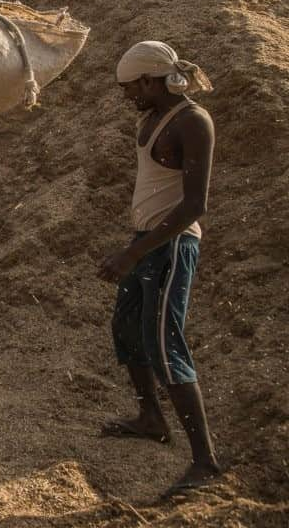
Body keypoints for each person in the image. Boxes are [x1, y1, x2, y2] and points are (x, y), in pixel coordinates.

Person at [98, 40, 222, 495]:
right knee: (127, 329)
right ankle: (151, 417)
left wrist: (134, 253)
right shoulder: (150, 119)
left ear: (151, 81)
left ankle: (205, 461)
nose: (126, 95)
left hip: (172, 247)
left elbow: (194, 205)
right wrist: (134, 247)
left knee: (165, 344)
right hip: (147, 242)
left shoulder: (193, 122)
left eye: (131, 87)